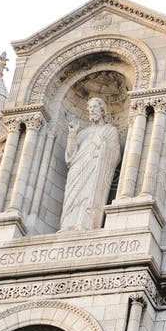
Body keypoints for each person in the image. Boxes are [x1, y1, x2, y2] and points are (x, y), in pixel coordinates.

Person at [60, 97, 121, 231]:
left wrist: (100, 143)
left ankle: (85, 224)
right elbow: (70, 157)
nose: (92, 110)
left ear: (102, 110)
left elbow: (115, 155)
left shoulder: (110, 130)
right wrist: (72, 134)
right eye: (90, 108)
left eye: (95, 107)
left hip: (96, 169)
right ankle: (68, 225)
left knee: (87, 196)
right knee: (73, 198)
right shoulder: (82, 133)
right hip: (76, 170)